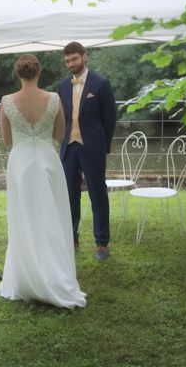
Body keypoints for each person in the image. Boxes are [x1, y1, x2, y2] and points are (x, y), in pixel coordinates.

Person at [0, 54, 86, 308]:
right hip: (48, 161)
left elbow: (7, 140)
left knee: (24, 219)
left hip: (21, 164)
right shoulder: (55, 99)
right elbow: (59, 134)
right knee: (51, 217)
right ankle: (55, 274)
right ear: (39, 73)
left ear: (17, 74)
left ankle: (27, 275)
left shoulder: (6, 102)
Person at [57, 41, 116, 260]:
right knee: (69, 196)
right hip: (68, 148)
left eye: (74, 59)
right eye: (67, 61)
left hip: (92, 149)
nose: (70, 64)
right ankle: (71, 237)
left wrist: (102, 147)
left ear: (84, 56)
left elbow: (109, 119)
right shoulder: (62, 86)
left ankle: (102, 243)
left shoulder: (101, 84)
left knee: (97, 195)